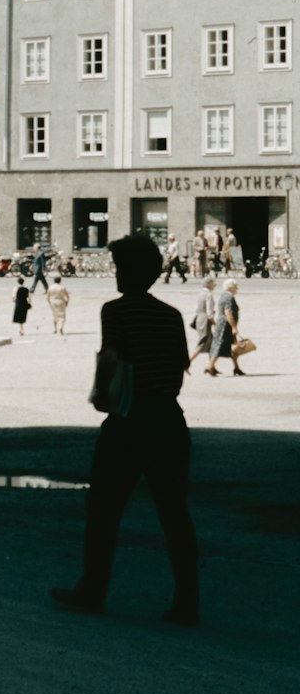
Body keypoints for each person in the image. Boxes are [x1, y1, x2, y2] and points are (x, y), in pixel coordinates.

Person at [51, 235, 199, 626]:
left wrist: (101, 395)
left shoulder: (114, 311)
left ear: (129, 272)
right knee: (174, 513)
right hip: (169, 419)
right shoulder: (171, 315)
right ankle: (187, 601)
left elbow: (111, 356)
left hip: (129, 422)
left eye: (118, 267)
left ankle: (92, 589)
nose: (115, 274)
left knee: (104, 508)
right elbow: (180, 367)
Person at [206, 278, 245, 377]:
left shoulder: (225, 295)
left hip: (223, 324)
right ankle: (210, 367)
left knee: (233, 347)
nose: (237, 288)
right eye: (235, 286)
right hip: (225, 326)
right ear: (231, 287)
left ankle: (236, 368)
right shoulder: (228, 297)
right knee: (220, 345)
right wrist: (234, 327)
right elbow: (228, 313)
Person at [187, 277, 216, 370]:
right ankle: (186, 363)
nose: (215, 285)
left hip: (199, 318)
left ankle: (211, 367)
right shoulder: (209, 294)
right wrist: (214, 322)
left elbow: (196, 308)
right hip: (205, 320)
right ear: (209, 284)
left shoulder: (201, 293)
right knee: (203, 343)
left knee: (212, 344)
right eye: (213, 283)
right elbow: (209, 311)